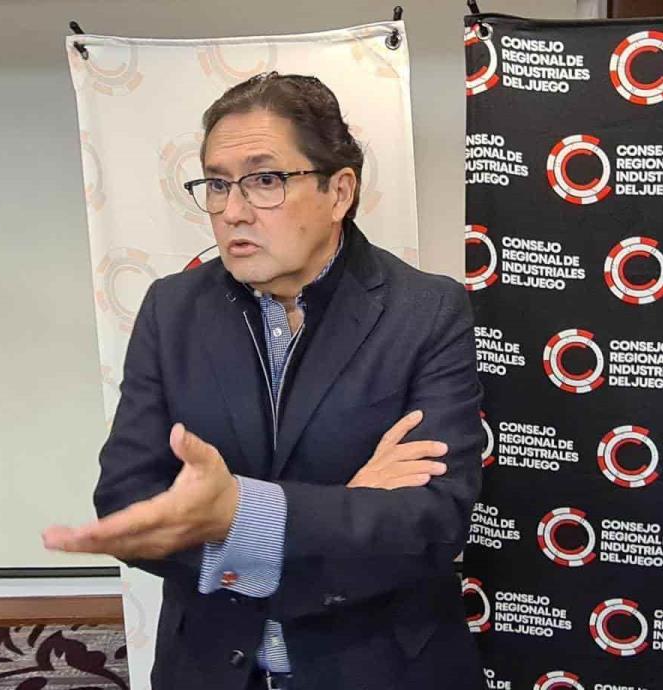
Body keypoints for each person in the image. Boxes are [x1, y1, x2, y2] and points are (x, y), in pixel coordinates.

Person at [43, 72, 485, 690]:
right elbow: (128, 506)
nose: (232, 211)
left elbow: (433, 520)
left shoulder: (426, 311)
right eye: (217, 184)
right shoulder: (173, 310)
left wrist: (235, 517)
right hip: (209, 670)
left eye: (265, 180)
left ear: (339, 191)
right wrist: (343, 503)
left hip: (378, 667)